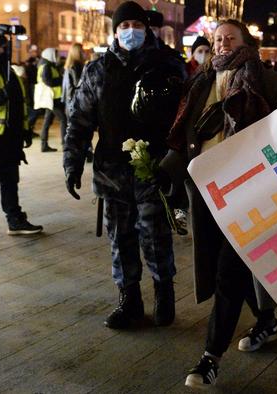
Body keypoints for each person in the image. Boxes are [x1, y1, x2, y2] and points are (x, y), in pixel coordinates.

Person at [156, 19, 277, 389]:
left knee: (228, 274)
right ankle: (266, 320)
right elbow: (186, 135)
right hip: (207, 195)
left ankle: (210, 359)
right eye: (218, 39)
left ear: (245, 41)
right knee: (230, 267)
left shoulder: (267, 83)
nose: (223, 44)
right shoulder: (199, 84)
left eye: (231, 38)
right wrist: (165, 169)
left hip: (251, 196)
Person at [63, 0, 185, 329]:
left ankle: (164, 292)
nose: (131, 32)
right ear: (115, 32)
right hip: (112, 170)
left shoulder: (169, 65)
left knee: (155, 234)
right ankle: (128, 297)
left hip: (153, 167)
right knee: (120, 237)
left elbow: (184, 119)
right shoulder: (97, 70)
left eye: (138, 26)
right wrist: (71, 162)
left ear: (148, 29)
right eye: (124, 26)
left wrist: (175, 163)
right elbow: (79, 120)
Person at [0, 31, 42, 237]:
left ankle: (15, 220)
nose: (3, 51)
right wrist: (3, 94)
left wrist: (25, 130)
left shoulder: (10, 72)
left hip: (9, 138)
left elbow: (21, 105)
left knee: (10, 181)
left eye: (5, 47)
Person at [62, 43, 92, 162]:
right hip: (77, 103)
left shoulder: (70, 66)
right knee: (83, 129)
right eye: (82, 51)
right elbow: (78, 85)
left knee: (77, 130)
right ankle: (86, 154)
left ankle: (82, 154)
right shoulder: (76, 66)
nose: (84, 53)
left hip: (70, 103)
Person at [36, 47, 66, 152]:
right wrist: (61, 79)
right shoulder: (46, 66)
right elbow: (48, 81)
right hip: (51, 99)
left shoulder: (48, 65)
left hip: (52, 98)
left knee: (47, 121)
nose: (57, 56)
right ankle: (65, 144)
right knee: (63, 119)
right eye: (55, 54)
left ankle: (44, 145)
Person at [24, 44, 42, 134]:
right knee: (34, 108)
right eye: (32, 51)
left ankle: (31, 128)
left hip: (37, 85)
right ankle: (29, 129)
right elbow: (30, 74)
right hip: (32, 85)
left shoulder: (39, 60)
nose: (34, 53)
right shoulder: (28, 62)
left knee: (36, 109)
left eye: (35, 51)